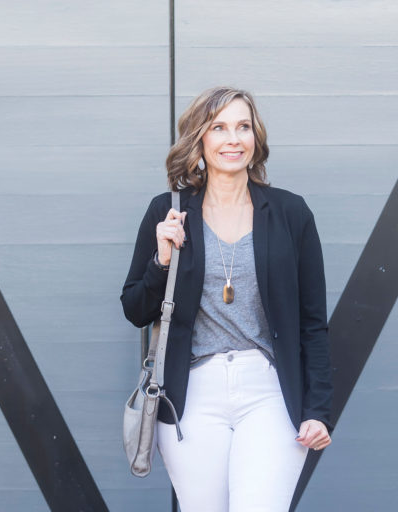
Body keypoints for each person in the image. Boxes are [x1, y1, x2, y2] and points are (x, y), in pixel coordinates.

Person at [121, 86, 333, 511]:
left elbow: (313, 323)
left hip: (269, 389)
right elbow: (136, 309)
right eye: (219, 127)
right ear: (200, 139)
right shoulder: (168, 210)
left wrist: (319, 410)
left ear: (256, 138)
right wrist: (161, 259)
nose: (233, 139)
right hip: (192, 392)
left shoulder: (291, 213)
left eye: (243, 126)